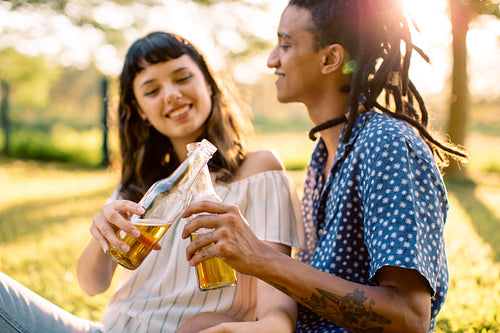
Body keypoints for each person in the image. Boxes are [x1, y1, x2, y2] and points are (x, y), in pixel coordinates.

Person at [182, 1, 469, 332]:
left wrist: (263, 258)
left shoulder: (387, 146)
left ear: (331, 59)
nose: (272, 59)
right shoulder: (324, 154)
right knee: (200, 324)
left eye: (286, 45)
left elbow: (409, 318)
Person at [0, 31, 305, 333]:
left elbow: (275, 310)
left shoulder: (258, 169)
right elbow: (92, 285)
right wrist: (100, 237)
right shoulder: (144, 186)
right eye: (152, 90)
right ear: (141, 112)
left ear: (210, 85)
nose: (171, 94)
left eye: (182, 77)